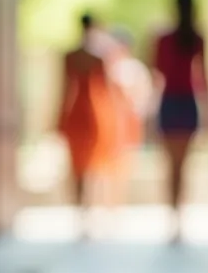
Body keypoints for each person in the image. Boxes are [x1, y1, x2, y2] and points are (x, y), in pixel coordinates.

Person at [58, 13, 123, 234]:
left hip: (77, 111)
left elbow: (64, 90)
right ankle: (87, 210)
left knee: (79, 164)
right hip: (93, 113)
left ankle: (81, 211)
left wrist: (59, 116)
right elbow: (106, 93)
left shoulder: (72, 56)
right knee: (92, 163)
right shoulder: (97, 58)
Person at [151, 0, 208, 241]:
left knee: (171, 165)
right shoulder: (196, 37)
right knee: (182, 166)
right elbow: (203, 77)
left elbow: (157, 72)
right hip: (186, 104)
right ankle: (178, 219)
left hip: (171, 103)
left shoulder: (164, 39)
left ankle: (174, 217)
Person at [104, 28, 153, 209]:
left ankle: (117, 202)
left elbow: (143, 97)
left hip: (129, 122)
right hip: (110, 122)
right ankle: (108, 202)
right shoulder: (108, 67)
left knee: (124, 161)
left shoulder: (134, 69)